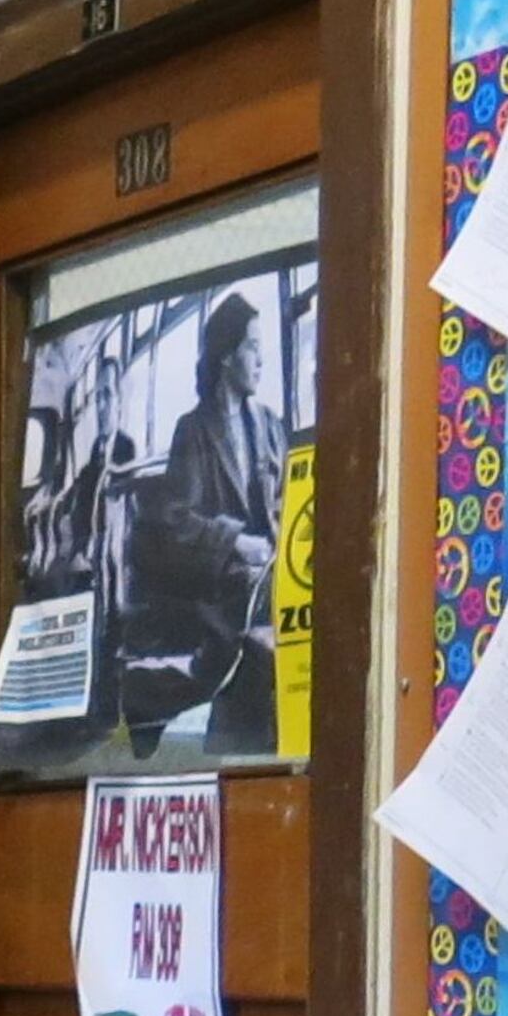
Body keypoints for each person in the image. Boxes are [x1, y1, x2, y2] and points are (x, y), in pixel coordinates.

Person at [136, 289, 288, 754]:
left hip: (272, 587)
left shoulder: (271, 425)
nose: (261, 360)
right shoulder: (194, 429)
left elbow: (284, 502)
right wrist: (237, 541)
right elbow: (176, 518)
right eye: (252, 347)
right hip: (219, 595)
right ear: (226, 356)